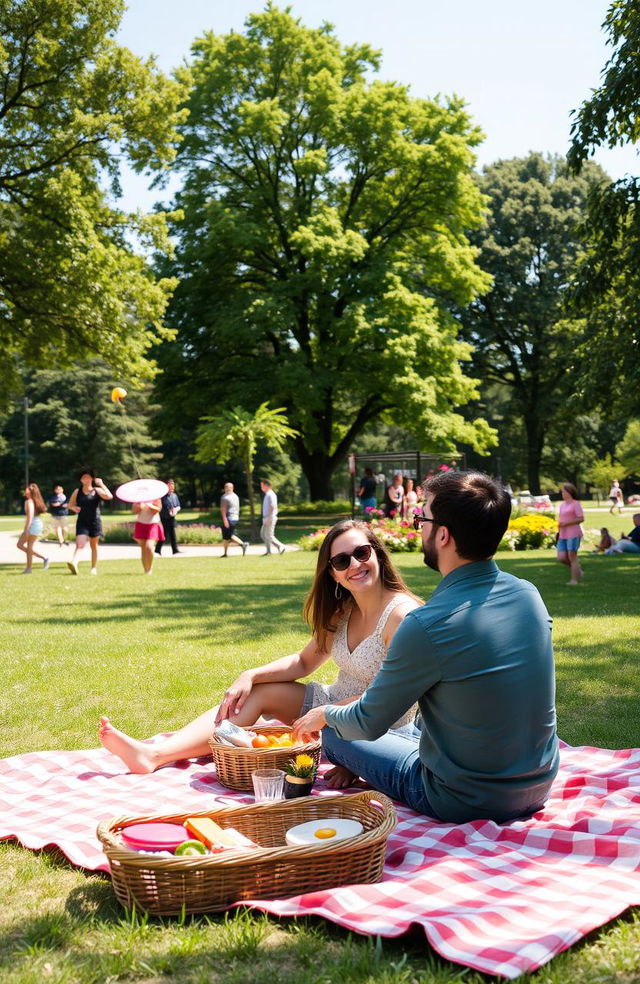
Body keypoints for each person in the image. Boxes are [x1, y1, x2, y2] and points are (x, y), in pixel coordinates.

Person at [293, 470, 560, 825]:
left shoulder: (426, 624)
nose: (419, 527)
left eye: (422, 519)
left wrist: (324, 715)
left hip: (460, 799)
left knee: (335, 735)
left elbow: (369, 722)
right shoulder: (529, 595)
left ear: (444, 535)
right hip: (538, 785)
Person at [98, 520, 421, 783]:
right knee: (257, 692)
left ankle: (161, 753)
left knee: (311, 713)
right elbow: (304, 661)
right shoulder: (343, 610)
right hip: (329, 707)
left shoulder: (400, 616)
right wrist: (250, 675)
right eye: (341, 560)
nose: (355, 564)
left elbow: (390, 699)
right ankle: (155, 754)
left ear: (377, 553)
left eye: (362, 552)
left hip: (377, 726)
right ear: (333, 573)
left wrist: (350, 757)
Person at [66, 468, 113, 575]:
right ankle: (74, 562)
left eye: (87, 477)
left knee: (94, 546)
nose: (85, 479)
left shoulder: (97, 491)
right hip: (82, 521)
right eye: (83, 477)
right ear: (80, 480)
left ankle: (93, 568)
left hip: (95, 521)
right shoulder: (77, 492)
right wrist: (74, 508)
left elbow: (110, 496)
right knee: (80, 544)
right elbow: (70, 505)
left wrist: (102, 484)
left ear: (92, 478)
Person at [17, 483, 50, 574]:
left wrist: (26, 529)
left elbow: (30, 517)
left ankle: (29, 569)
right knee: (23, 546)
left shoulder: (29, 501)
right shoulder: (31, 501)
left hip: (33, 525)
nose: (25, 490)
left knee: (25, 546)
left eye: (27, 489)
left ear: (30, 492)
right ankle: (44, 558)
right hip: (36, 524)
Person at [556, 483, 584, 585]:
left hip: (573, 534)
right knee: (561, 557)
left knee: (572, 557)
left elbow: (581, 518)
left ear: (569, 492)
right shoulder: (562, 505)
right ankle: (578, 570)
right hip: (563, 534)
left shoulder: (576, 504)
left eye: (564, 491)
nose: (562, 493)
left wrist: (567, 523)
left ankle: (574, 580)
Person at [133, 499, 164, 573]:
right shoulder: (138, 497)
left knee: (149, 547)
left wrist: (150, 506)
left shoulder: (155, 497)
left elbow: (158, 509)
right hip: (140, 524)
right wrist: (139, 507)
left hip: (153, 524)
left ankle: (149, 568)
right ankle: (145, 570)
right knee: (143, 549)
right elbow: (134, 511)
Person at [219, 482, 249, 557]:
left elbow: (223, 510)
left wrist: (224, 520)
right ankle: (225, 553)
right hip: (235, 518)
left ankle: (243, 544)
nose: (227, 489)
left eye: (227, 487)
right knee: (226, 537)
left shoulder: (225, 497)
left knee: (229, 536)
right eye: (226, 487)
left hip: (228, 518)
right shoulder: (235, 496)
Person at [155, 479, 181, 556]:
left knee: (173, 533)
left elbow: (178, 506)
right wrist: (168, 511)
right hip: (164, 518)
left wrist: (175, 510)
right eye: (170, 488)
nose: (171, 490)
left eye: (172, 488)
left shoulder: (174, 496)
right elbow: (161, 507)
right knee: (164, 534)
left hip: (172, 518)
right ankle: (157, 549)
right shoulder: (162, 497)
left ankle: (175, 550)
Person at [260, 479, 285, 555]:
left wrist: (268, 517)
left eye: (262, 485)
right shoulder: (268, 494)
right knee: (264, 534)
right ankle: (269, 551)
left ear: (267, 486)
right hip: (266, 517)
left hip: (270, 517)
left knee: (269, 535)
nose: (261, 487)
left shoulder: (270, 494)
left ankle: (281, 546)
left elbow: (272, 506)